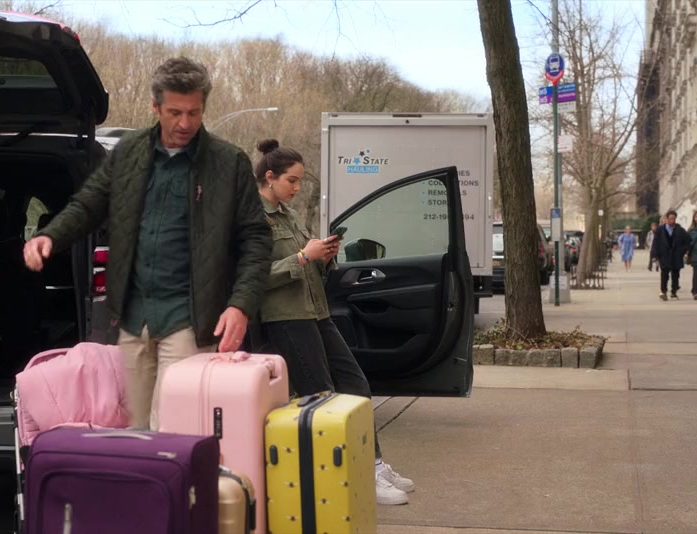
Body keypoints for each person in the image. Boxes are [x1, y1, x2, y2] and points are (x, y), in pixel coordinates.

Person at [23, 57, 272, 430]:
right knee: (138, 429)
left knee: (174, 428)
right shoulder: (129, 152)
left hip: (191, 319)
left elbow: (256, 236)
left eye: (194, 112)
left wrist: (241, 305)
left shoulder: (228, 162)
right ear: (155, 107)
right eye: (175, 113)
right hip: (134, 318)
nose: (185, 123)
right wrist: (50, 235)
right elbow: (90, 202)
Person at [250, 139, 414, 506]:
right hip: (286, 319)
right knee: (322, 398)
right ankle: (346, 478)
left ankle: (373, 465)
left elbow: (306, 262)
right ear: (270, 176)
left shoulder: (289, 214)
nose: (297, 188)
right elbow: (252, 277)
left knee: (355, 383)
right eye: (292, 181)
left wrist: (323, 257)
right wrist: (302, 257)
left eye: (300, 181)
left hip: (316, 311)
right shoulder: (252, 218)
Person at [651, 210, 690, 301]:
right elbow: (655, 243)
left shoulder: (680, 230)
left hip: (676, 256)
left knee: (675, 275)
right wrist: (654, 255)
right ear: (667, 219)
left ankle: (674, 292)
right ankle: (663, 292)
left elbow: (688, 241)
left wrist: (682, 251)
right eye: (670, 219)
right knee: (664, 274)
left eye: (673, 219)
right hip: (664, 255)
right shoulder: (660, 230)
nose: (672, 221)